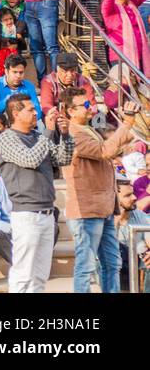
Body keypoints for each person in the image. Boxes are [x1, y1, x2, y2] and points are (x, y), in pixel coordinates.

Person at [59, 86, 136, 293]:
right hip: (86, 210)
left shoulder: (89, 129)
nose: (90, 107)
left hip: (105, 208)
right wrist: (127, 123)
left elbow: (113, 149)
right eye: (85, 105)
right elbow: (104, 151)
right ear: (70, 111)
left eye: (90, 103)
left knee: (112, 264)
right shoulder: (73, 133)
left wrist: (127, 128)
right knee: (86, 267)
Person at [0, 94, 68, 293]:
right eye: (30, 109)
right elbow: (31, 160)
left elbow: (63, 159)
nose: (36, 112)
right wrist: (49, 131)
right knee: (23, 274)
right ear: (16, 113)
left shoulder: (38, 136)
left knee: (40, 276)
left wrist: (64, 133)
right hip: (26, 214)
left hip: (46, 212)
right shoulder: (6, 138)